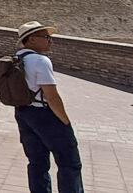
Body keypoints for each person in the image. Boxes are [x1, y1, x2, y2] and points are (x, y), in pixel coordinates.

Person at [13, 21, 83, 193]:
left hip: (23, 112)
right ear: (31, 40)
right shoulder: (40, 61)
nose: (50, 40)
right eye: (45, 37)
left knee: (37, 162)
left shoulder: (17, 58)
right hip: (45, 115)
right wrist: (65, 122)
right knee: (69, 162)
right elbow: (52, 97)